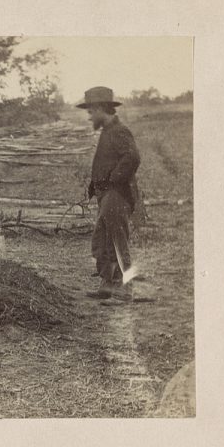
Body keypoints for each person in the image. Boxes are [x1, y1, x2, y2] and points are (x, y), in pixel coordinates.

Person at [76, 86, 141, 301]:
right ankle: (108, 283)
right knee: (102, 239)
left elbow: (132, 157)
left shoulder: (119, 131)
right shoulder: (108, 132)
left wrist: (113, 179)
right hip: (107, 195)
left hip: (117, 195)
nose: (89, 117)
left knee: (118, 240)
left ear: (102, 108)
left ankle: (127, 286)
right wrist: (96, 186)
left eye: (91, 112)